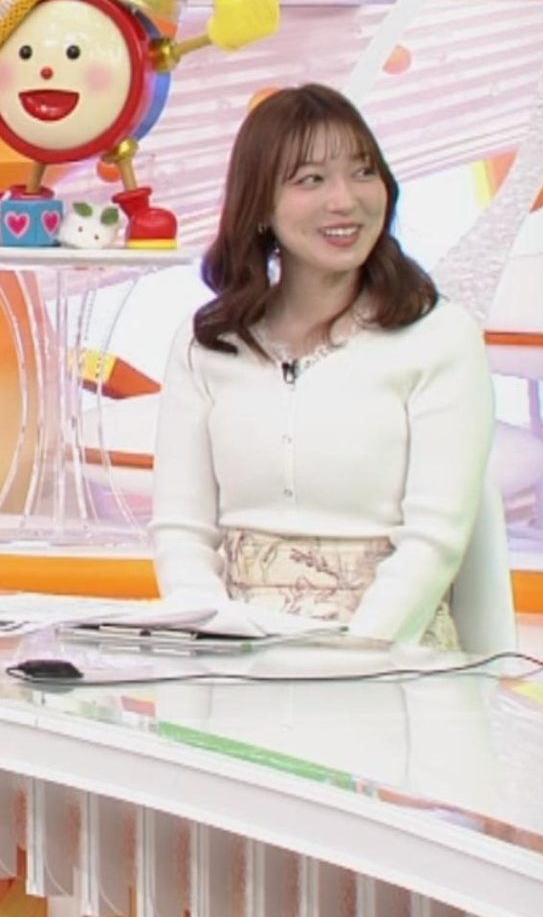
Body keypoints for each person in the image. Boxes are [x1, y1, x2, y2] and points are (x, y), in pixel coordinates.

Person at [150, 83, 495, 647]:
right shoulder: (207, 345)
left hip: (389, 659)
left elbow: (433, 542)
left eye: (363, 173)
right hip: (235, 660)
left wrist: (351, 658)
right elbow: (181, 532)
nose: (345, 201)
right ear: (260, 205)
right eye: (311, 179)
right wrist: (217, 645)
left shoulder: (439, 337)